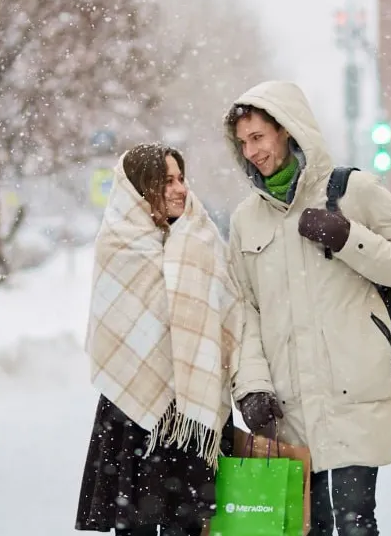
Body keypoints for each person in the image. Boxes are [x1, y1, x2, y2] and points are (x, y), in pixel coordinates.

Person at [223, 82, 391, 536]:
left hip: (351, 392)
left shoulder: (353, 190)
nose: (251, 151)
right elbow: (243, 312)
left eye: (258, 137)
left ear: (286, 130)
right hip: (289, 405)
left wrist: (346, 237)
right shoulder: (245, 220)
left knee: (357, 524)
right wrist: (253, 387)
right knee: (305, 529)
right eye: (243, 142)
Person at [76, 144, 242, 535]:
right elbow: (114, 327)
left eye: (182, 178)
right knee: (134, 525)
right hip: (134, 407)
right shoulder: (117, 244)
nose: (180, 189)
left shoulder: (202, 239)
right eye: (166, 181)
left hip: (193, 411)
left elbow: (230, 315)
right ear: (140, 188)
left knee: (191, 527)